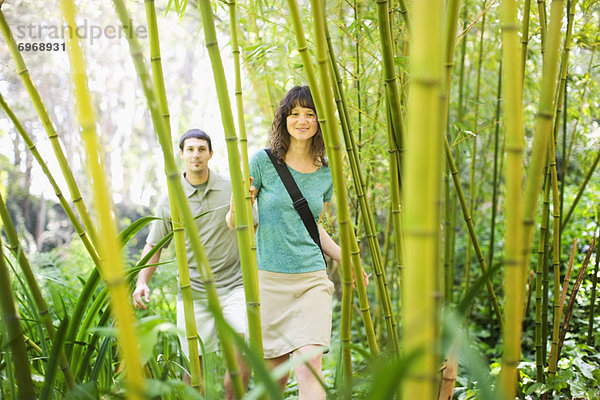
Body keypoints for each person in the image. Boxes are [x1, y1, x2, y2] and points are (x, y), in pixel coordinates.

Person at [228, 86, 368, 399]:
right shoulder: (262, 163)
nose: (301, 120)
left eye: (309, 114)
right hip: (269, 281)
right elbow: (234, 222)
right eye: (294, 114)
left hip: (311, 280)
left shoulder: (326, 173)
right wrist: (243, 202)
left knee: (309, 364)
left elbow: (311, 226)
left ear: (319, 122)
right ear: (284, 119)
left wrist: (349, 258)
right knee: (274, 378)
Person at [133, 129, 251, 399]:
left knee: (241, 355)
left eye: (201, 149)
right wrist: (141, 282)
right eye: (190, 149)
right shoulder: (170, 199)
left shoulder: (231, 188)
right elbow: (154, 246)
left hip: (235, 286)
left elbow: (253, 228)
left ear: (211, 153)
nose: (196, 154)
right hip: (193, 291)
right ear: (181, 154)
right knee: (193, 368)